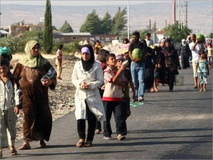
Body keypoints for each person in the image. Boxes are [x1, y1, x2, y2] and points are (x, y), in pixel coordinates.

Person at [13, 40, 57, 150]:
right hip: (27, 96)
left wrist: (50, 82)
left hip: (41, 95)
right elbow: (14, 79)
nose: (36, 50)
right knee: (28, 118)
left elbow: (53, 73)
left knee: (43, 116)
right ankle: (26, 141)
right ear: (28, 49)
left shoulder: (43, 62)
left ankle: (42, 139)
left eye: (37, 47)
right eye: (33, 48)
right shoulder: (21, 63)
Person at [72, 44, 105, 147]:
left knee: (91, 117)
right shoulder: (77, 65)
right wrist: (80, 84)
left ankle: (89, 139)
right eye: (83, 54)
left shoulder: (97, 65)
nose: (85, 56)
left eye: (87, 53)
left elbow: (100, 80)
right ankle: (81, 138)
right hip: (80, 94)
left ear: (90, 54)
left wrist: (90, 85)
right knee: (80, 116)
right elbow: (73, 78)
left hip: (92, 94)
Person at [102, 53, 127, 140]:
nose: (114, 60)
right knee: (106, 117)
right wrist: (120, 71)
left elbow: (123, 82)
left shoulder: (118, 70)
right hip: (108, 97)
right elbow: (113, 80)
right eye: (111, 59)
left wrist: (119, 74)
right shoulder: (106, 71)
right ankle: (107, 134)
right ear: (107, 62)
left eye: (114, 59)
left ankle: (120, 133)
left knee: (119, 116)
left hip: (118, 96)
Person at [0, 59, 22, 158]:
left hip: (11, 108)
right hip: (0, 108)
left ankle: (12, 146)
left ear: (8, 68)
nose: (2, 70)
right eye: (0, 69)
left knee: (11, 128)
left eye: (4, 68)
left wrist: (17, 105)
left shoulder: (13, 80)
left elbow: (17, 92)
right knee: (0, 129)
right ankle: (0, 149)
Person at [129, 31, 147, 101]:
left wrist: (140, 58)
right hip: (133, 64)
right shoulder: (132, 44)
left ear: (138, 37)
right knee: (134, 81)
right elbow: (130, 52)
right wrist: (132, 58)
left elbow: (144, 53)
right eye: (133, 37)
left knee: (141, 80)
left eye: (135, 37)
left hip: (141, 64)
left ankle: (140, 96)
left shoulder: (142, 44)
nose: (134, 38)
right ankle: (135, 95)